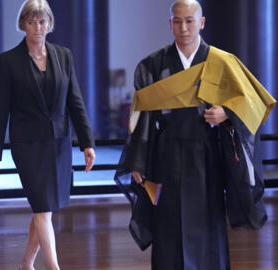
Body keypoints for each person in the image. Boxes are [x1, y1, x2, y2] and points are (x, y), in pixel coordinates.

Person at [115, 0, 274, 269]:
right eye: (177, 21)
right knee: (168, 227)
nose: (184, 28)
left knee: (208, 226)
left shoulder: (222, 62)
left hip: (207, 157)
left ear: (201, 23)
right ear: (170, 24)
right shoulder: (153, 65)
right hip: (166, 158)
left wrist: (227, 112)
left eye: (190, 21)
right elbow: (142, 116)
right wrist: (138, 161)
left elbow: (254, 102)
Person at [0, 0, 96, 269]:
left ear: (50, 24)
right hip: (27, 145)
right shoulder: (8, 61)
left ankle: (26, 263)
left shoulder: (64, 55)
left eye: (42, 21)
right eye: (32, 22)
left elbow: (75, 102)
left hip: (58, 143)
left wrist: (87, 143)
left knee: (44, 208)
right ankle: (54, 267)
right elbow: (0, 110)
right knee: (42, 208)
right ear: (23, 24)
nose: (38, 27)